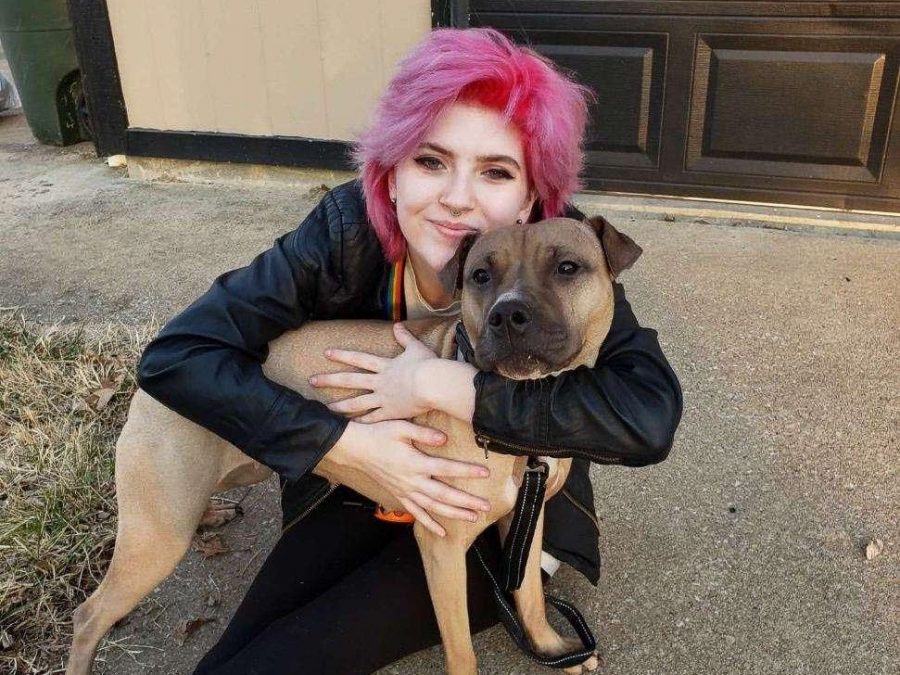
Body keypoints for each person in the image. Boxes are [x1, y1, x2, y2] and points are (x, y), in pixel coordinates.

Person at [137, 27, 682, 675]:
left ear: (531, 198)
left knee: (293, 654)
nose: (457, 197)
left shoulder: (566, 254)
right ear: (390, 171)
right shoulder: (340, 234)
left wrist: (441, 388)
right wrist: (342, 445)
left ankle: (524, 616)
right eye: (430, 161)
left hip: (514, 497)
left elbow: (648, 415)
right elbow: (177, 357)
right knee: (239, 652)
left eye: (496, 171)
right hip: (371, 476)